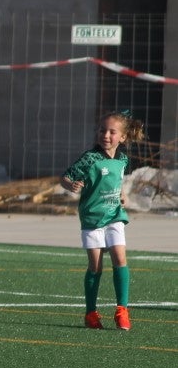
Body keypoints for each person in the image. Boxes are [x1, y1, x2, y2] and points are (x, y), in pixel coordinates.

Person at [60, 110, 145, 331]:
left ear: (123, 137)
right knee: (95, 266)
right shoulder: (90, 158)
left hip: (114, 216)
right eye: (102, 130)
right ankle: (91, 313)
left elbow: (117, 181)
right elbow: (66, 177)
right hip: (92, 218)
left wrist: (122, 194)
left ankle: (122, 311)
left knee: (120, 257)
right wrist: (71, 185)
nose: (105, 135)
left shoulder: (123, 159)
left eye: (111, 131)